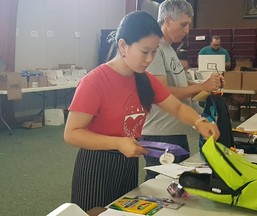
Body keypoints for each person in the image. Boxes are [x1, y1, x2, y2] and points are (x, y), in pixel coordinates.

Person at [64, 10, 220, 211]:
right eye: (145, 51)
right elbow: (71, 134)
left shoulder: (143, 79)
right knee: (95, 212)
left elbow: (177, 107)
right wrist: (118, 143)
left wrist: (199, 122)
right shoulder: (94, 82)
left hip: (127, 161)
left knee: (121, 210)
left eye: (154, 52)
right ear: (123, 46)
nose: (149, 59)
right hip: (97, 163)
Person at [141, 0, 223, 180]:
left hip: (175, 130)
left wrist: (208, 88)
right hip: (160, 133)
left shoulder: (170, 50)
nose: (187, 30)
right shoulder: (154, 51)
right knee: (158, 185)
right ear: (168, 21)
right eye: (183, 24)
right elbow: (162, 93)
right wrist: (202, 86)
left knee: (179, 184)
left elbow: (183, 87)